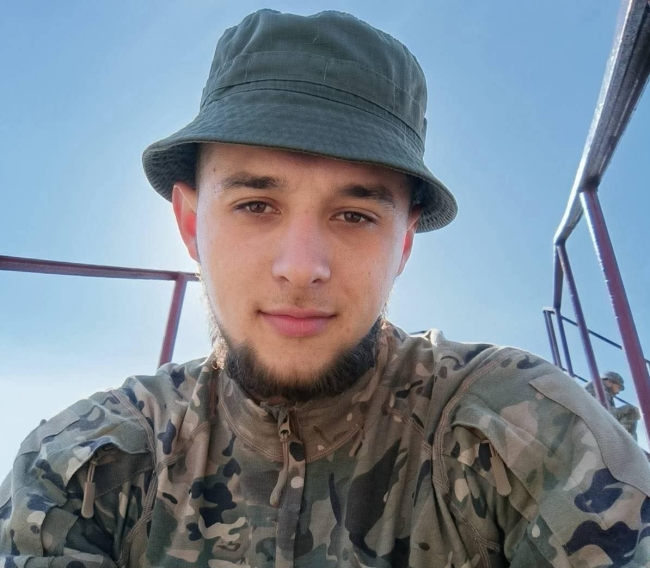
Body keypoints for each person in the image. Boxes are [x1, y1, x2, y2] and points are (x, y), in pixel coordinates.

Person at [1, 9, 649, 568]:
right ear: (192, 225)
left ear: (402, 245)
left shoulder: (515, 426)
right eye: (256, 205)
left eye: (354, 215)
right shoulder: (88, 465)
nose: (301, 267)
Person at [586, 370, 641, 441]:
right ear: (609, 382)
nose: (618, 392)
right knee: (632, 410)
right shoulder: (599, 388)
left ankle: (625, 440)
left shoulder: (598, 387)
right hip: (592, 421)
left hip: (590, 419)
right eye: (619, 387)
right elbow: (607, 413)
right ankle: (626, 441)